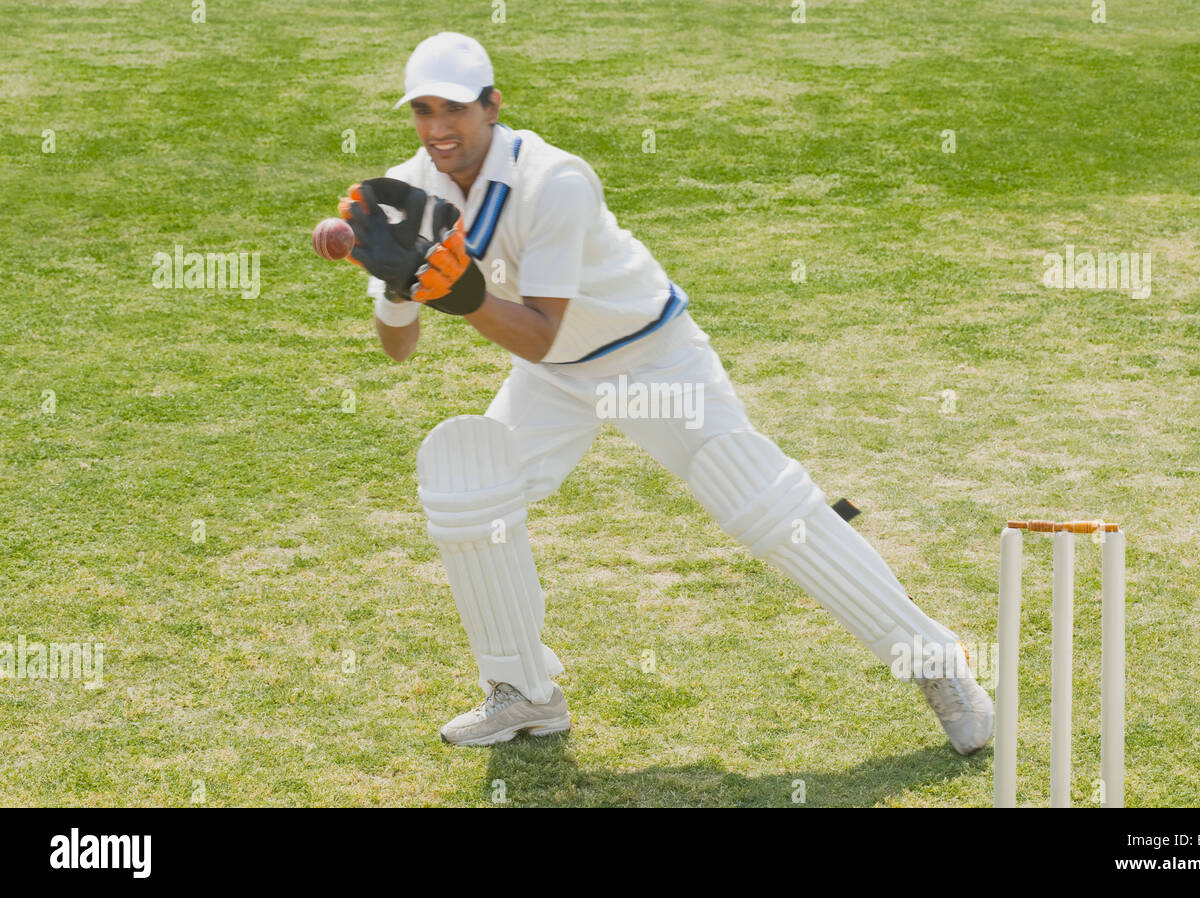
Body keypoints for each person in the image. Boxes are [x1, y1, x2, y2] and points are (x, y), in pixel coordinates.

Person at [342, 32, 993, 752]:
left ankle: (937, 663)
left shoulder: (555, 181)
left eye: (455, 108)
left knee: (762, 503)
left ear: (494, 105)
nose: (437, 128)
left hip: (652, 359)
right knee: (470, 488)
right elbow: (398, 348)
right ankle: (525, 692)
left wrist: (462, 297)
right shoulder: (408, 191)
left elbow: (542, 332)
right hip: (554, 381)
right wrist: (398, 288)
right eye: (423, 109)